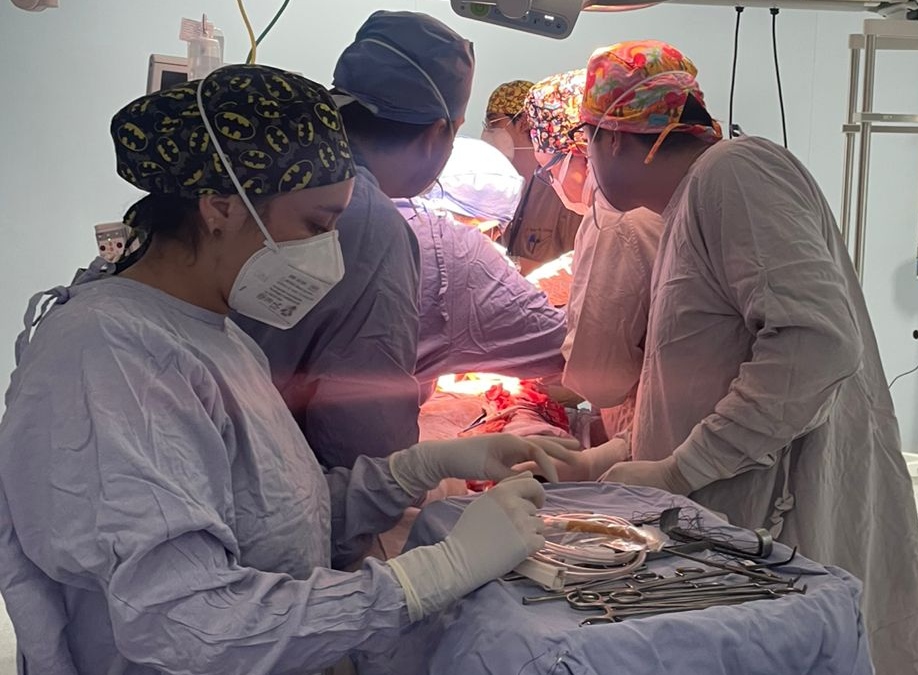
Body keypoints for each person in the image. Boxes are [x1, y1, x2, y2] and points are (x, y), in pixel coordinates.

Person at [0, 64, 580, 675]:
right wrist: (432, 574)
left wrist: (421, 467)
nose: (329, 254)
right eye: (315, 225)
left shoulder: (219, 334)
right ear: (220, 207)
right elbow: (187, 625)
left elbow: (277, 520)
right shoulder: (110, 356)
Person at [580, 41, 918, 675]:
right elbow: (701, 372)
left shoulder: (735, 173)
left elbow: (815, 344)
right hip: (730, 521)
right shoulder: (688, 206)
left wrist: (679, 471)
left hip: (782, 519)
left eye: (582, 145)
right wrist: (611, 456)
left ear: (610, 137)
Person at [233, 11, 473, 469]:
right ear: (438, 133)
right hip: (254, 481)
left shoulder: (268, 165)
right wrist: (426, 475)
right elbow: (366, 440)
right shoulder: (367, 221)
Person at [524, 70, 665, 444]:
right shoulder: (661, 195)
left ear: (582, 150)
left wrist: (539, 374)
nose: (550, 182)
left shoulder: (615, 219)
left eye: (549, 170)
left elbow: (600, 381)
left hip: (660, 431)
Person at [396, 136, 566, 398]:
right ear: (485, 224)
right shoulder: (460, 252)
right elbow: (567, 348)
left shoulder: (384, 213)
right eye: (494, 231)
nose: (494, 240)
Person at [481, 80, 583, 273]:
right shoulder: (500, 190)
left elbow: (578, 268)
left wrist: (507, 266)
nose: (485, 133)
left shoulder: (563, 192)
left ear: (523, 123)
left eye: (493, 123)